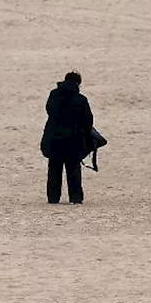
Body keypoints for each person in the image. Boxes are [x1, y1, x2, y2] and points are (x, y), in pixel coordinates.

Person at [40, 71, 95, 205]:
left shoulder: (54, 95)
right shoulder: (80, 99)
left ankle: (53, 198)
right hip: (74, 139)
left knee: (54, 169)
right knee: (73, 169)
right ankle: (75, 198)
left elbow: (49, 110)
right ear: (78, 83)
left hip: (54, 138)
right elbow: (88, 119)